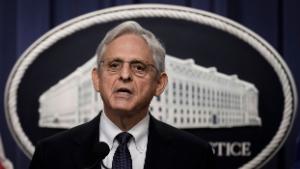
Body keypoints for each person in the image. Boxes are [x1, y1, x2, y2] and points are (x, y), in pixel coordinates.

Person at [29, 21, 215, 169]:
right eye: (114, 65)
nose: (124, 75)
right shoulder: (52, 154)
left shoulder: (195, 155)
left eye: (139, 67)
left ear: (159, 84)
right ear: (97, 79)